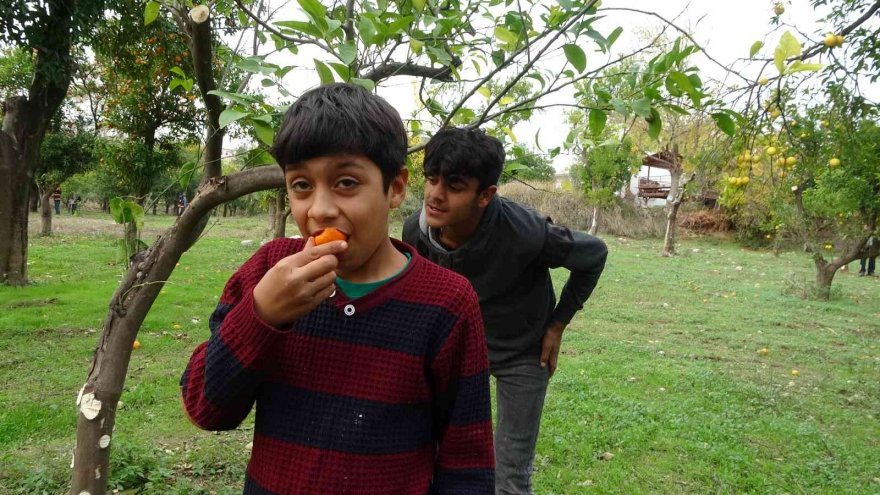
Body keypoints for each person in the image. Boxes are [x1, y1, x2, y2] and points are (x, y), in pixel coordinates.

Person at [180, 84, 494, 494]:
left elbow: (466, 460)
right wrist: (262, 315)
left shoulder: (447, 302)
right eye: (301, 185)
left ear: (396, 188)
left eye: (346, 183)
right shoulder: (266, 272)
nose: (320, 209)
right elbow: (207, 408)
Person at [403, 127, 608, 495]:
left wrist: (558, 324)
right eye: (431, 179)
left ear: (486, 195)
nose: (435, 194)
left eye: (454, 185)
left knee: (510, 473)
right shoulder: (416, 233)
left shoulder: (525, 231)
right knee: (430, 454)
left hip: (522, 353)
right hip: (455, 352)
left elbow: (593, 255)